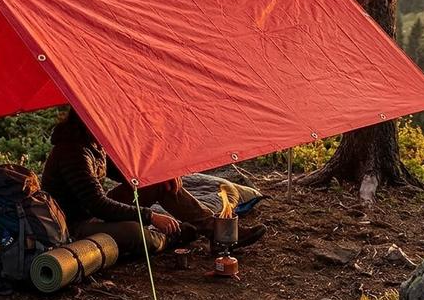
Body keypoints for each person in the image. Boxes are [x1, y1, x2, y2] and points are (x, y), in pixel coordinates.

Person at [41, 109, 267, 256]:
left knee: (160, 185)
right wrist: (151, 216)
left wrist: (161, 175)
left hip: (94, 211)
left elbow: (127, 173)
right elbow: (97, 204)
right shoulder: (72, 151)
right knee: (135, 233)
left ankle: (218, 233)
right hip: (76, 225)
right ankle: (173, 237)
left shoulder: (93, 144)